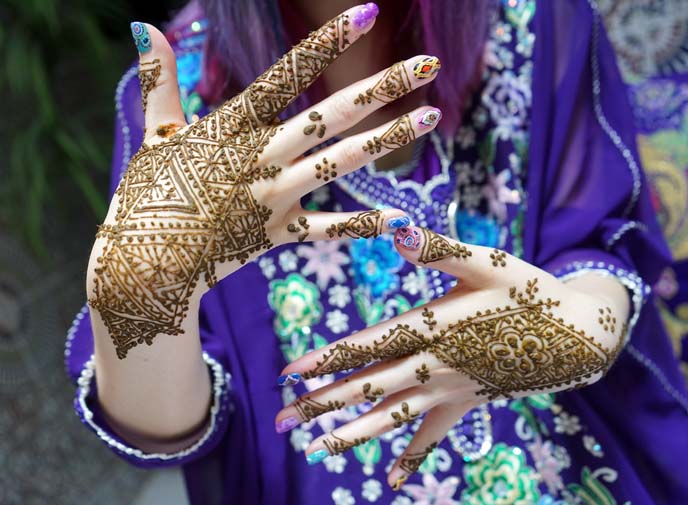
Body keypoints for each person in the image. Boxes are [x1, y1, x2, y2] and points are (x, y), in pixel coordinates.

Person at [65, 1, 688, 503]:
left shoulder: (538, 19)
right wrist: (138, 303)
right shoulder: (182, 100)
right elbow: (168, 417)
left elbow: (597, 232)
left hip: (560, 461)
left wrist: (591, 322)